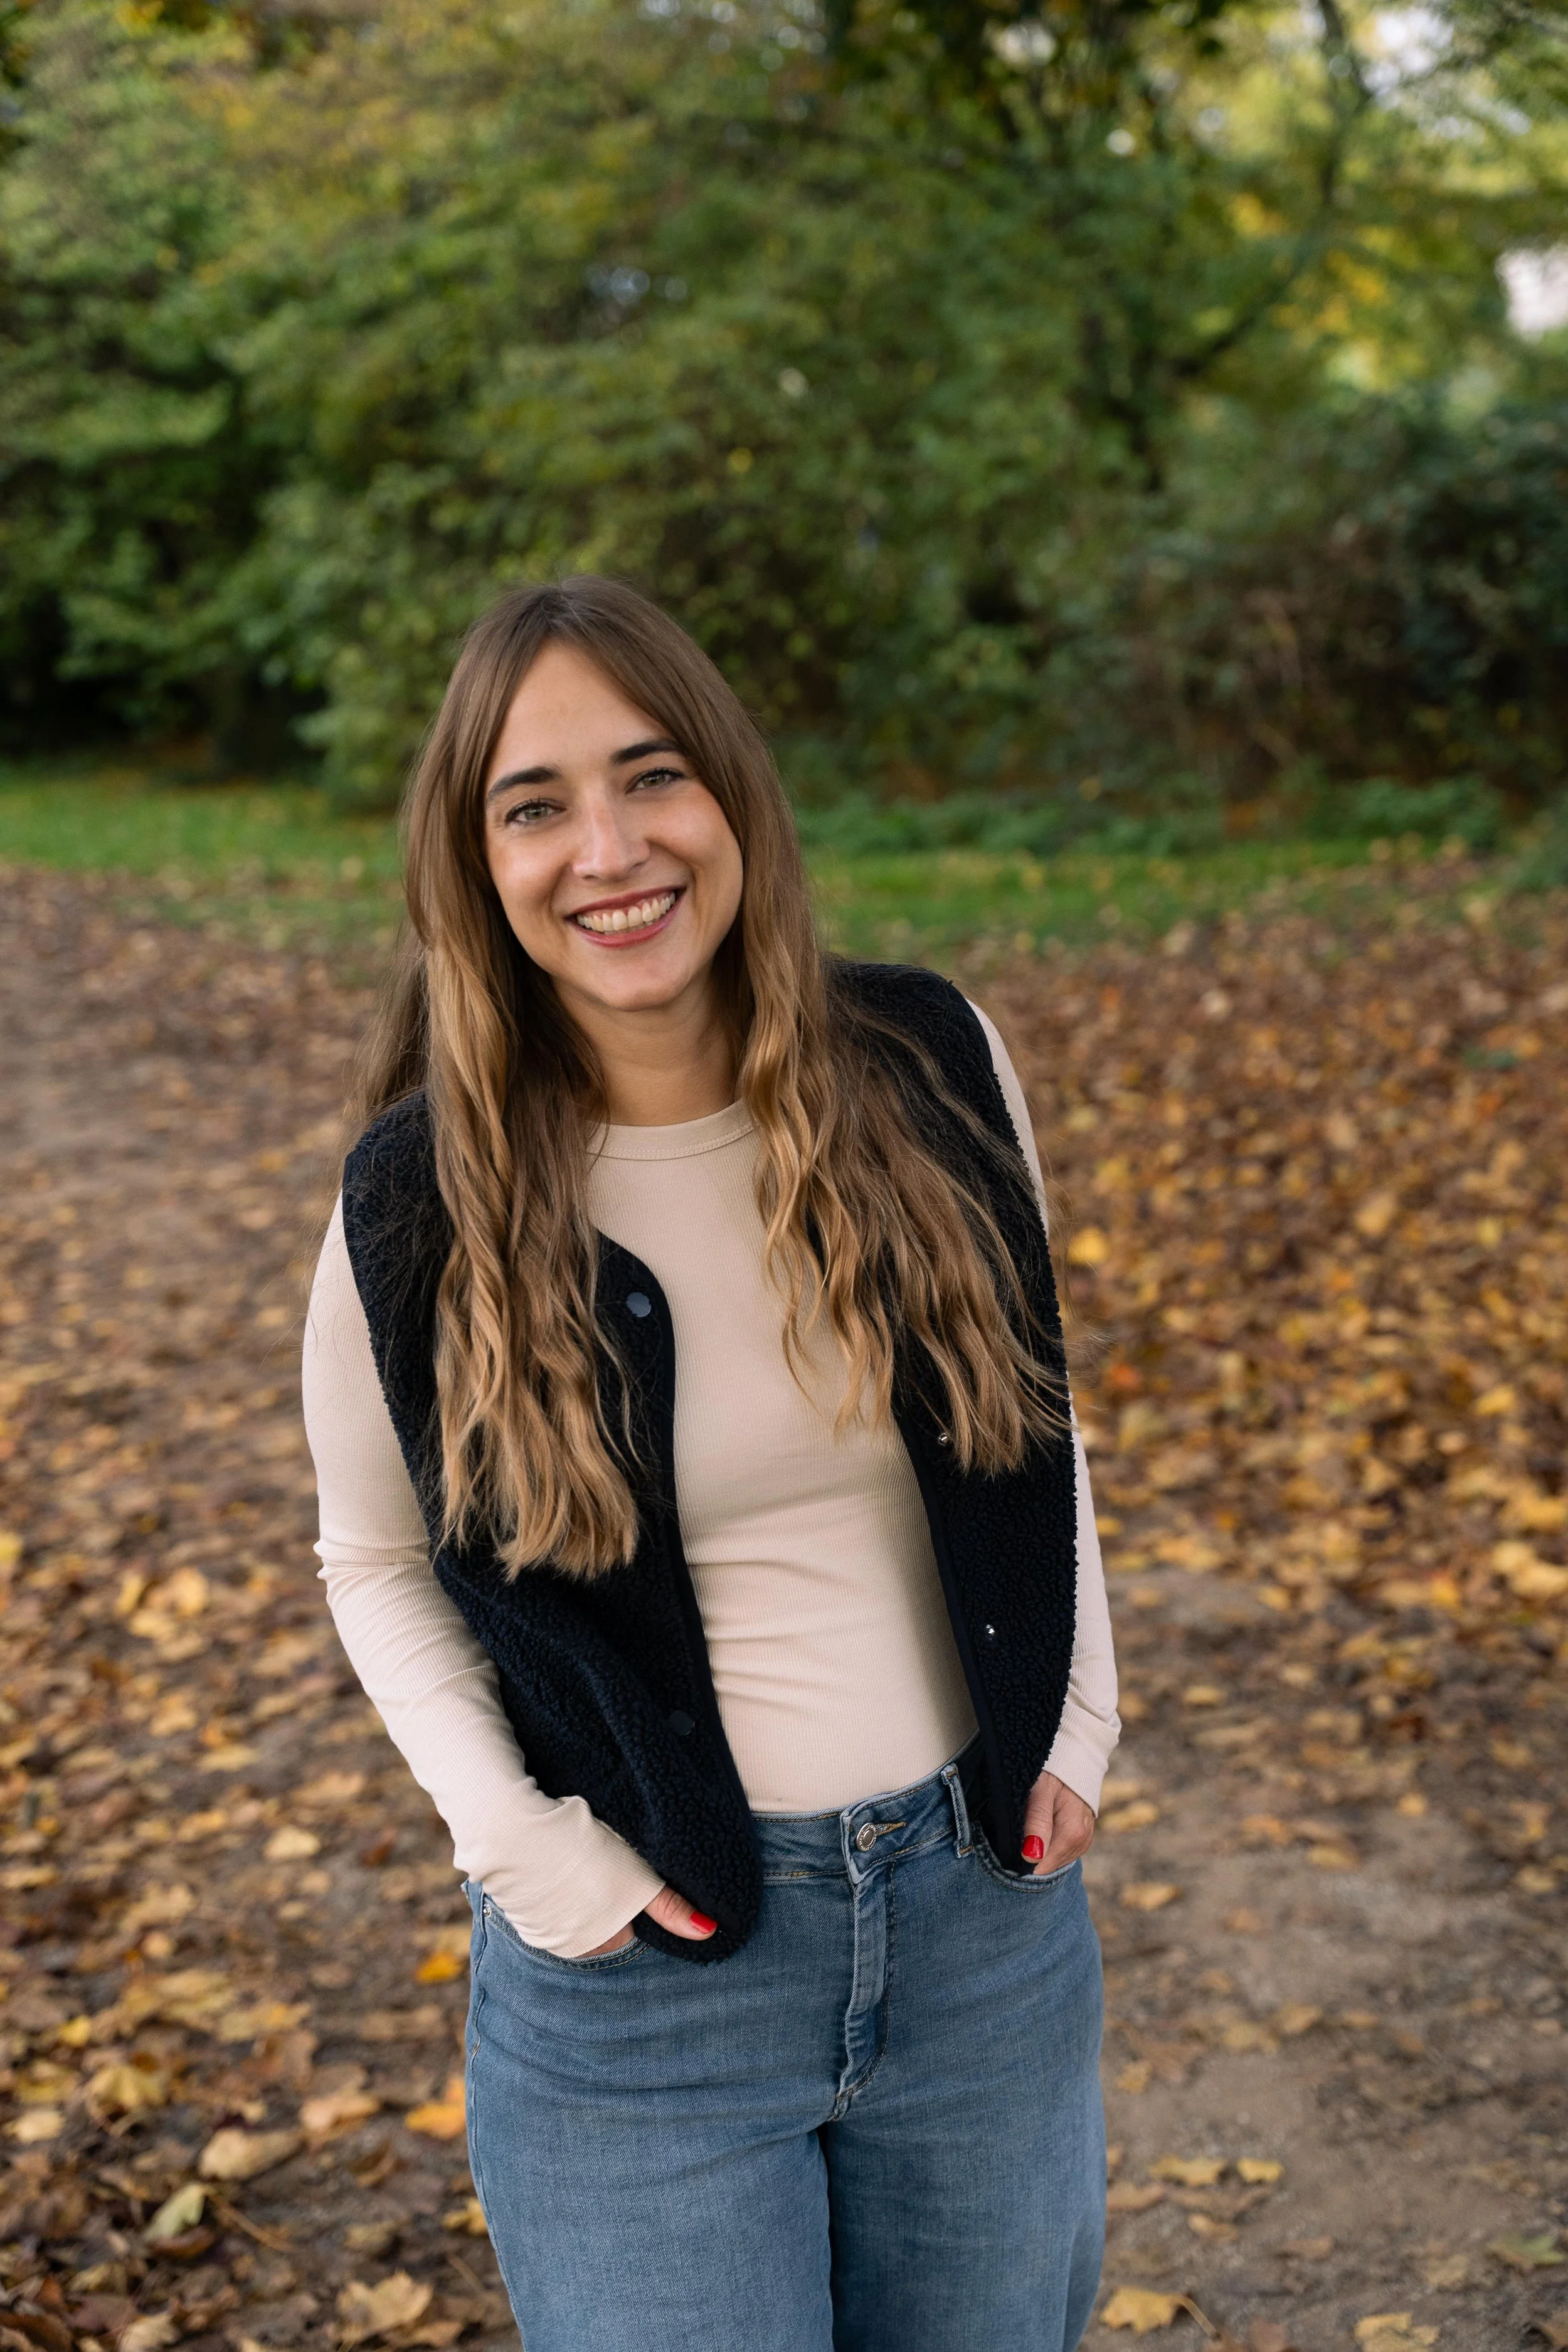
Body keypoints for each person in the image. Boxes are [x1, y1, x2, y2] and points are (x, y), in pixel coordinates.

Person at [302, 576, 1119, 2352]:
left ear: (733, 790)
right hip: (646, 1999)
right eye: (535, 805)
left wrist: (1079, 1716)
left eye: (652, 773)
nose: (609, 850)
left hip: (985, 1931)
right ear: (476, 864)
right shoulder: (421, 1197)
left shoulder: (930, 1060)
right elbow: (371, 1558)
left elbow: (1033, 1408)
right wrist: (525, 1851)